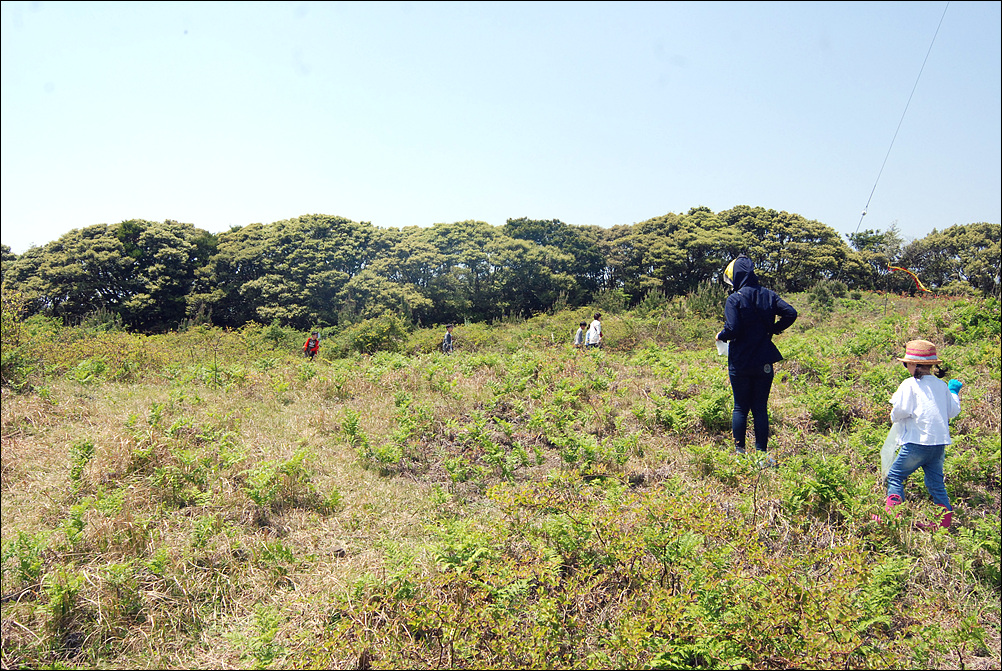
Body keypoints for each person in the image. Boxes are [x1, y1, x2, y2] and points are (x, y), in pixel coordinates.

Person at [715, 254, 798, 464]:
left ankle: (740, 455)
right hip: (763, 361)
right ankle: (762, 455)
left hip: (740, 361)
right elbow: (791, 313)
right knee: (760, 407)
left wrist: (720, 336)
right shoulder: (769, 295)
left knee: (741, 406)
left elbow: (732, 329)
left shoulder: (735, 298)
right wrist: (773, 330)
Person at [884, 339, 962, 530]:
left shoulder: (909, 384)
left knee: (895, 476)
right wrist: (953, 392)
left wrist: (894, 415)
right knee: (936, 483)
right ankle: (942, 524)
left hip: (917, 443)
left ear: (912, 364)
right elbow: (952, 411)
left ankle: (893, 518)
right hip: (938, 445)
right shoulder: (942, 386)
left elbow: (900, 411)